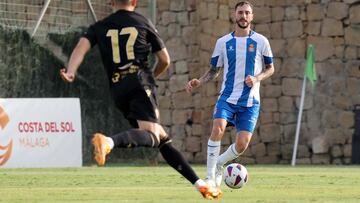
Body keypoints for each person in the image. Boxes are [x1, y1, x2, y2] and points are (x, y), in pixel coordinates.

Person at [59, 0, 221, 200]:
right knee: (152, 136)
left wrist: (71, 71)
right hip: (140, 82)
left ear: (111, 2)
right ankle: (108, 142)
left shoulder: (99, 26)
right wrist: (152, 77)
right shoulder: (142, 22)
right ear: (135, 2)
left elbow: (80, 48)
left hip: (118, 89)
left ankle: (200, 185)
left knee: (161, 138)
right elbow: (165, 60)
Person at [186, 1, 275, 187]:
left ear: (252, 16)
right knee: (217, 128)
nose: (243, 16)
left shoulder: (261, 41)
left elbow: (270, 68)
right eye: (240, 13)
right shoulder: (223, 42)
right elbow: (214, 70)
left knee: (242, 145)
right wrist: (199, 81)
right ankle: (210, 177)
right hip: (227, 97)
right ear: (235, 15)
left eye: (247, 13)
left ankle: (219, 163)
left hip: (250, 101)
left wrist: (257, 78)